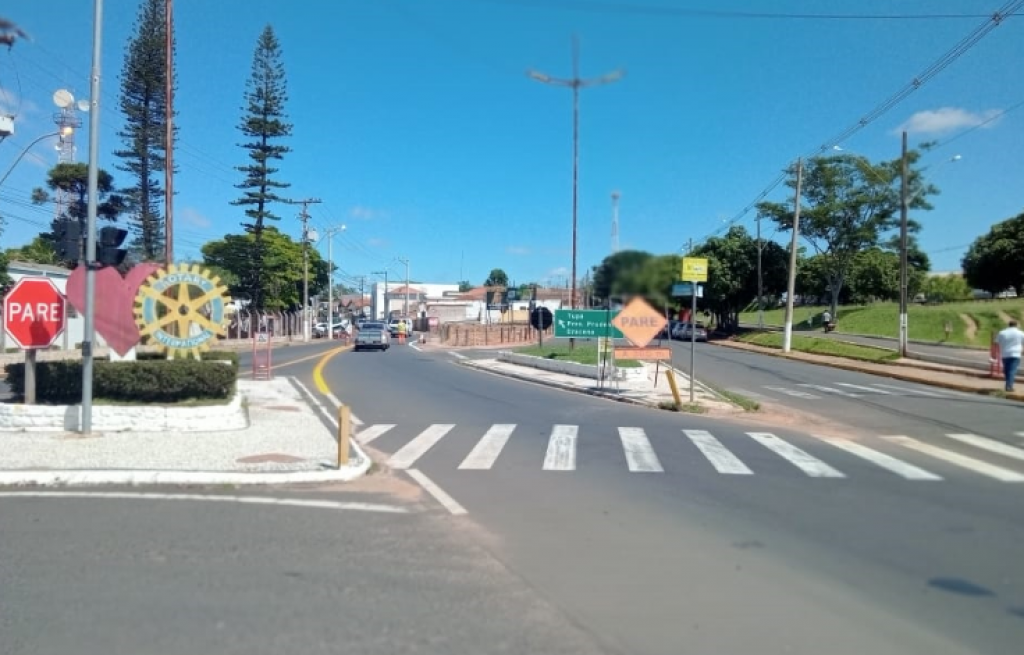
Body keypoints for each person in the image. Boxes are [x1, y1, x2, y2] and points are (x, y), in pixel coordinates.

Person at [995, 319, 1024, 392]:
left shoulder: (1002, 333)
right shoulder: (1020, 333)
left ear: (1009, 325)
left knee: (1007, 370)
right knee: (1011, 370)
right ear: (1016, 325)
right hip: (1016, 353)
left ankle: (1008, 385)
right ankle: (1009, 385)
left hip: (1005, 353)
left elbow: (996, 342)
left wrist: (995, 353)